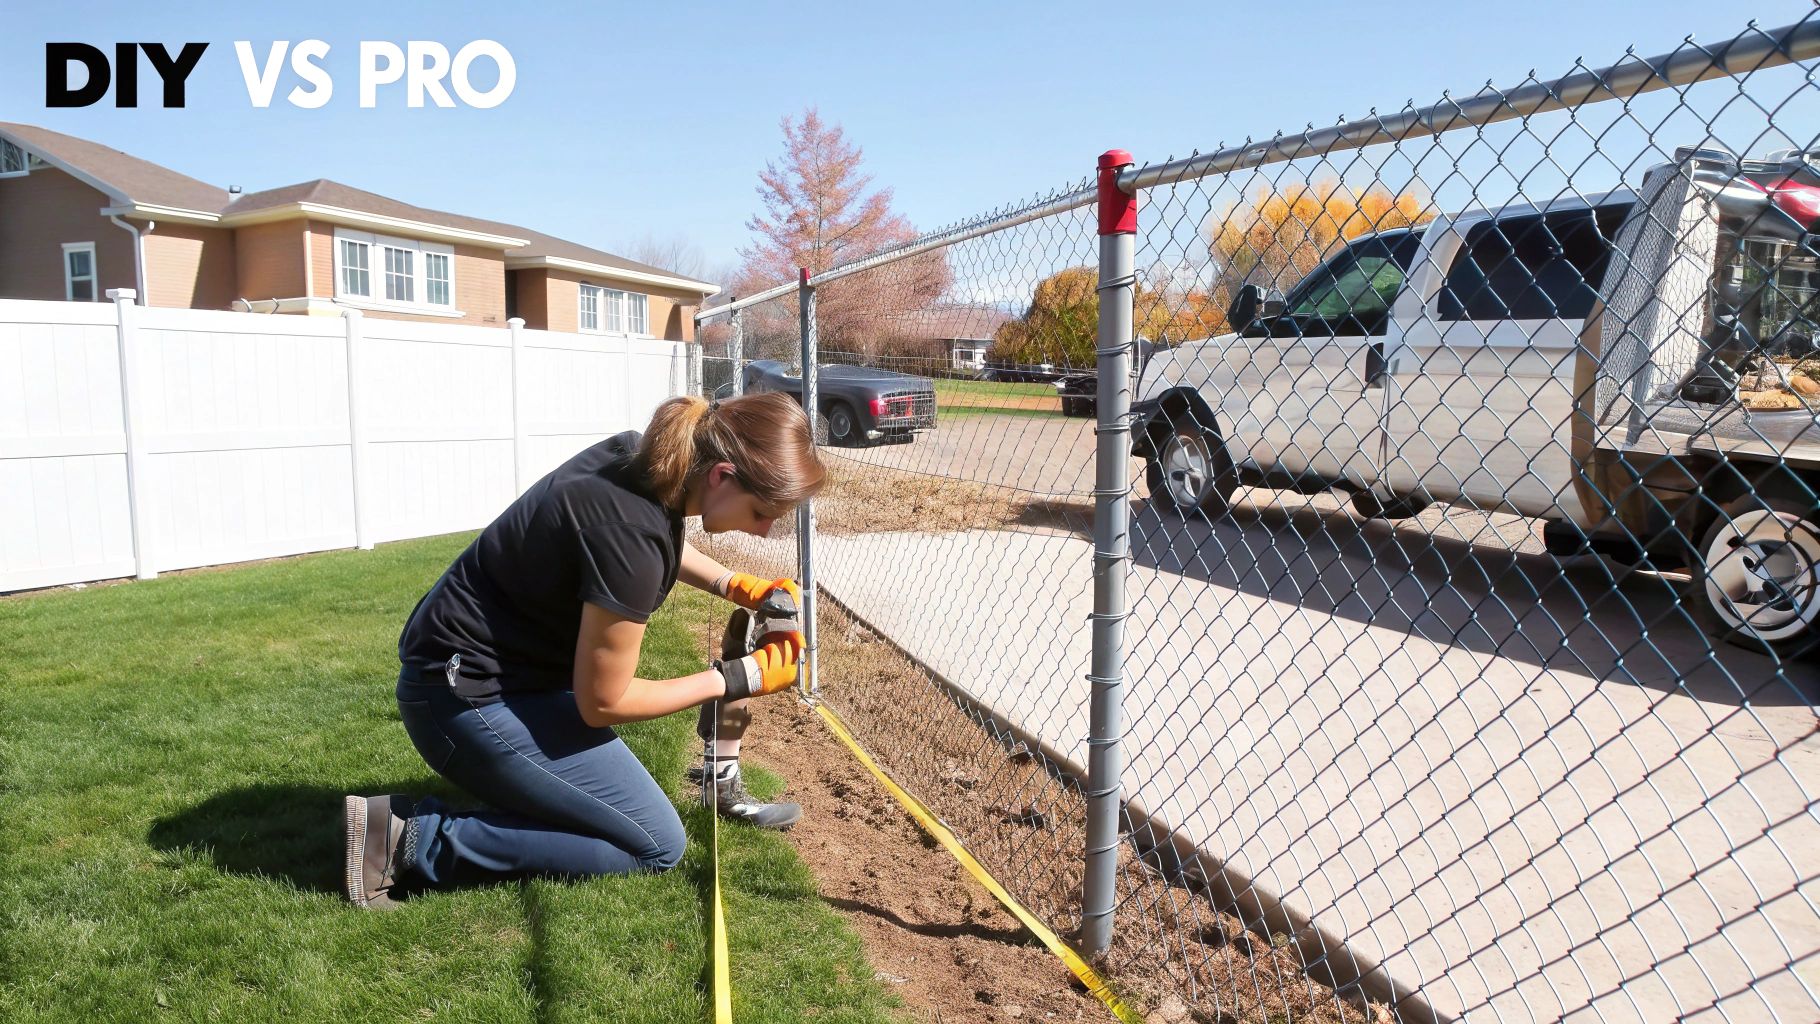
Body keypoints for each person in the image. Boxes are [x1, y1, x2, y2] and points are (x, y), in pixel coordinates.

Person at [342, 391, 825, 909]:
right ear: (721, 475)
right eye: (761, 512)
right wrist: (739, 678)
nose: (764, 529)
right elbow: (604, 702)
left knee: (617, 817)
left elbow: (660, 539)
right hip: (460, 701)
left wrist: (736, 584)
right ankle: (407, 842)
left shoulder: (643, 459)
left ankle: (414, 831)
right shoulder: (631, 534)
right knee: (657, 845)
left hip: (490, 679)